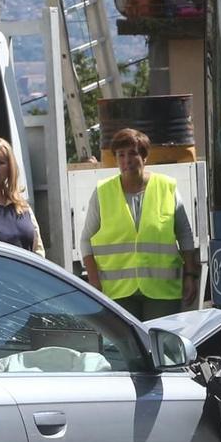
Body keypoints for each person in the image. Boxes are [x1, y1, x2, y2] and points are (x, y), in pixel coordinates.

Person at [80, 127, 200, 319]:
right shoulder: (102, 192)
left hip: (161, 292)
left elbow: (185, 235)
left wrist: (190, 275)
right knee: (128, 347)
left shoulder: (167, 187)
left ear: (144, 157)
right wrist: (94, 281)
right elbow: (86, 240)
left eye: (133, 153)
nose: (126, 160)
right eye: (121, 155)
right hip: (117, 293)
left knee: (159, 344)